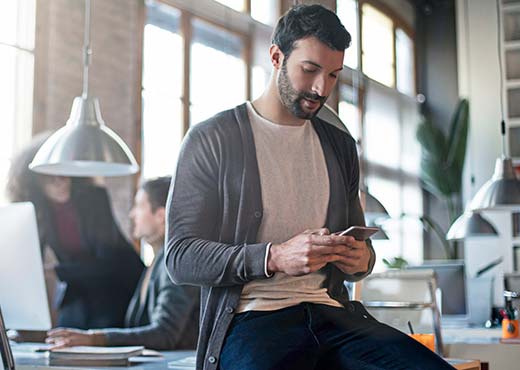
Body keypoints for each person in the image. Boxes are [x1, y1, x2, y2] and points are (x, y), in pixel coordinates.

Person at [166, 4, 455, 370]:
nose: (322, 88)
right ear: (276, 56)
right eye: (310, 70)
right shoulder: (212, 139)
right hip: (254, 320)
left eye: (333, 75)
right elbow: (180, 257)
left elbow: (361, 257)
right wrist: (274, 257)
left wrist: (359, 258)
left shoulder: (340, 146)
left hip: (333, 315)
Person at [6, 133, 144, 329]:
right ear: (34, 180)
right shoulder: (38, 211)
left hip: (116, 284)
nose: (59, 181)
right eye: (49, 176)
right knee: (63, 333)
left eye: (63, 172)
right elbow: (30, 259)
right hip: (79, 289)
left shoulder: (94, 198)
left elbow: (109, 263)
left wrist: (56, 271)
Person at [45, 177, 200, 350]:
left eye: (139, 206)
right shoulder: (156, 261)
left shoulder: (176, 264)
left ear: (160, 216)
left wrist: (95, 339)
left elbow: (165, 333)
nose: (132, 214)